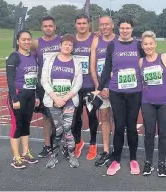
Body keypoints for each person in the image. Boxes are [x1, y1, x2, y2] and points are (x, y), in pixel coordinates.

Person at [93, 18, 146, 176]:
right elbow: (107, 67)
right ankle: (116, 160)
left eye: (127, 28)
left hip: (134, 92)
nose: (124, 30)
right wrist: (100, 88)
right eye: (122, 28)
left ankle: (133, 159)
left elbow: (149, 61)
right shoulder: (112, 45)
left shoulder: (138, 45)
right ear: (119, 29)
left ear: (132, 29)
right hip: (116, 92)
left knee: (131, 127)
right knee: (119, 126)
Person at [139, 31, 166, 177]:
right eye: (145, 44)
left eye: (150, 43)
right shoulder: (141, 62)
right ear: (142, 46)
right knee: (149, 133)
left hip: (165, 102)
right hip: (147, 102)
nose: (148, 46)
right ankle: (148, 162)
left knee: (163, 133)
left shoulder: (164, 57)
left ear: (155, 44)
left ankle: (161, 163)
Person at [41, 34, 83, 168]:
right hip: (54, 101)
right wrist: (56, 98)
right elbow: (44, 80)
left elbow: (78, 84)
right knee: (58, 131)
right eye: (65, 44)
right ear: (60, 45)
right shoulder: (50, 60)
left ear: (72, 48)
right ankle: (53, 156)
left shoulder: (76, 62)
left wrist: (65, 98)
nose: (67, 46)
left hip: (69, 101)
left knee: (67, 128)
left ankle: (72, 155)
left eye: (70, 45)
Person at [6, 30, 40, 169]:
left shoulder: (32, 56)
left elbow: (34, 78)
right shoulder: (14, 57)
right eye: (24, 39)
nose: (27, 42)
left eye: (29, 39)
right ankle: (16, 157)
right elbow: (10, 80)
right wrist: (14, 98)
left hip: (30, 95)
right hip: (18, 95)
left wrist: (36, 95)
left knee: (26, 124)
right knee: (17, 126)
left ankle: (25, 153)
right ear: (18, 41)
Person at [30, 16, 62, 158]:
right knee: (46, 117)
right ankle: (47, 145)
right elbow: (29, 59)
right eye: (45, 26)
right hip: (44, 84)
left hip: (61, 83)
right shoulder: (36, 43)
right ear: (42, 28)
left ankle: (63, 146)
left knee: (63, 116)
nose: (48, 28)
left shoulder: (62, 40)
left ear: (55, 27)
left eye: (50, 25)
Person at [71, 14, 99, 160]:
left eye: (84, 23)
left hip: (89, 86)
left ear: (89, 24)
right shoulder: (71, 40)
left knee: (92, 116)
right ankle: (78, 142)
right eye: (79, 23)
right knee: (75, 117)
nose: (82, 26)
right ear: (75, 25)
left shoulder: (95, 39)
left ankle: (93, 143)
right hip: (75, 87)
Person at [89, 15, 116, 166]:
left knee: (118, 120)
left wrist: (111, 87)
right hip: (101, 88)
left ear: (112, 25)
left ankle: (116, 150)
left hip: (116, 88)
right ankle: (105, 150)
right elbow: (92, 67)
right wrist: (99, 88)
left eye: (107, 25)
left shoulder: (118, 40)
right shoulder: (96, 41)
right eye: (101, 25)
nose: (104, 27)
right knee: (104, 119)